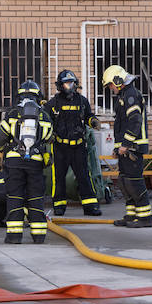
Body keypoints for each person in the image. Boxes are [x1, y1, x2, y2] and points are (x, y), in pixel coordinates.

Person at [0, 81, 55, 244]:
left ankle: (14, 236)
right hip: (35, 163)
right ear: (38, 96)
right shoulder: (45, 115)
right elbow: (49, 138)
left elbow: (0, 135)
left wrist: (0, 151)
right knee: (35, 197)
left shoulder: (13, 113)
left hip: (14, 162)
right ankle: (39, 235)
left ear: (19, 96)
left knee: (15, 196)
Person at [46, 69, 103, 217]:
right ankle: (59, 206)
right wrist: (50, 134)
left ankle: (90, 206)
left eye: (71, 83)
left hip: (78, 146)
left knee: (84, 176)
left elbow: (88, 116)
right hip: (60, 147)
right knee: (59, 178)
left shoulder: (82, 101)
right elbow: (47, 122)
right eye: (66, 83)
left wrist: (93, 121)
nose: (69, 86)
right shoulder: (53, 103)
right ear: (60, 85)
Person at [102, 64, 151, 228]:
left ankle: (145, 217)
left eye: (110, 84)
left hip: (133, 148)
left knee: (134, 182)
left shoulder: (131, 96)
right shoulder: (124, 96)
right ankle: (131, 215)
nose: (110, 88)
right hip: (126, 148)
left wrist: (126, 144)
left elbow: (135, 122)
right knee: (124, 182)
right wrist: (118, 147)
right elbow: (122, 126)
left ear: (117, 80)